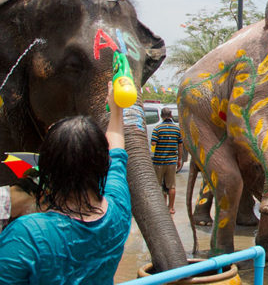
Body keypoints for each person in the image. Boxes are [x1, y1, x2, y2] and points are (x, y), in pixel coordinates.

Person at [0, 83, 130, 283]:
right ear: (103, 164)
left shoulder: (26, 235)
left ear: (46, 168)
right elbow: (117, 153)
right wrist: (116, 111)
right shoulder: (118, 210)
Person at [151, 107, 183, 214]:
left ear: (161, 116)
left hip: (159, 162)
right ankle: (171, 208)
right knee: (171, 186)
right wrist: (179, 159)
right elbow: (180, 146)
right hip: (172, 162)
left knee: (159, 185)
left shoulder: (157, 129)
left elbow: (153, 143)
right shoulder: (177, 129)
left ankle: (162, 207)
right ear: (171, 115)